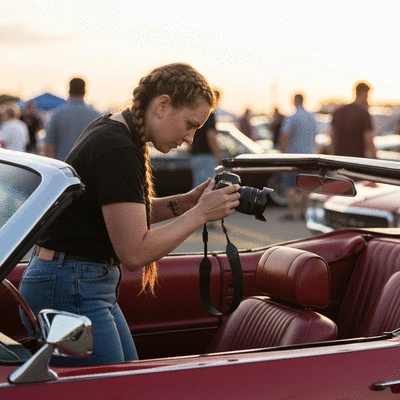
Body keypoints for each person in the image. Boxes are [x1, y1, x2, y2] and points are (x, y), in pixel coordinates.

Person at [18, 62, 240, 366]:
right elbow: (135, 252)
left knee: (128, 376)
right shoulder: (117, 148)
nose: (189, 138)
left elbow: (125, 216)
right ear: (163, 105)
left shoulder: (113, 130)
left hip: (77, 280)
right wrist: (200, 214)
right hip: (71, 285)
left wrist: (186, 202)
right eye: (190, 124)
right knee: (117, 387)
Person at [43, 77, 102, 160]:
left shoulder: (57, 114)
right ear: (84, 92)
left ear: (69, 91)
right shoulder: (97, 116)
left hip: (62, 167)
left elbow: (48, 146)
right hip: (87, 168)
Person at [279, 93, 317, 220]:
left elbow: (285, 136)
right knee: (306, 185)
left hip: (293, 157)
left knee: (290, 185)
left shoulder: (292, 117)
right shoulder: (312, 118)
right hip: (309, 157)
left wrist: (282, 153)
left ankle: (291, 212)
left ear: (295, 101)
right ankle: (303, 212)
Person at [330, 81, 377, 159]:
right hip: (356, 161)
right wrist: (375, 160)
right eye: (368, 95)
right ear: (364, 93)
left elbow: (332, 137)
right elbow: (369, 140)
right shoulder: (364, 114)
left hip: (338, 160)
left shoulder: (338, 112)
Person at [190, 89, 223, 188]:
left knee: (197, 187)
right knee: (208, 187)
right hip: (206, 155)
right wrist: (218, 154)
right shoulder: (210, 114)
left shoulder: (196, 112)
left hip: (195, 154)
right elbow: (211, 136)